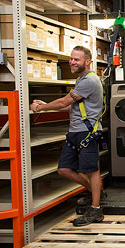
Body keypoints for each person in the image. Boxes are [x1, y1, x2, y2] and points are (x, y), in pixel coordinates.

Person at [30, 46, 105, 226]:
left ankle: (95, 210)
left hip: (87, 132)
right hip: (75, 132)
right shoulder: (81, 80)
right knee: (64, 169)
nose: (72, 62)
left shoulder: (90, 81)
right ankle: (95, 192)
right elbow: (70, 106)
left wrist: (41, 108)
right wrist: (47, 105)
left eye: (76, 60)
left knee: (91, 170)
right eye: (71, 59)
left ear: (87, 61)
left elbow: (64, 101)